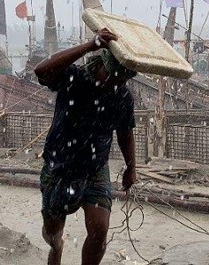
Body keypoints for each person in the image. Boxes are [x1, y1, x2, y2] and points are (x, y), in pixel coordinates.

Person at [34, 28, 138, 265]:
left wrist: (131, 168)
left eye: (120, 80)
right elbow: (41, 70)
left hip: (95, 168)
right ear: (100, 65)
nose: (114, 83)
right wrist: (90, 45)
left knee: (100, 231)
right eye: (111, 76)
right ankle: (57, 248)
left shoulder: (122, 96)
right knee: (52, 234)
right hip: (59, 167)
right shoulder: (74, 78)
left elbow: (125, 133)